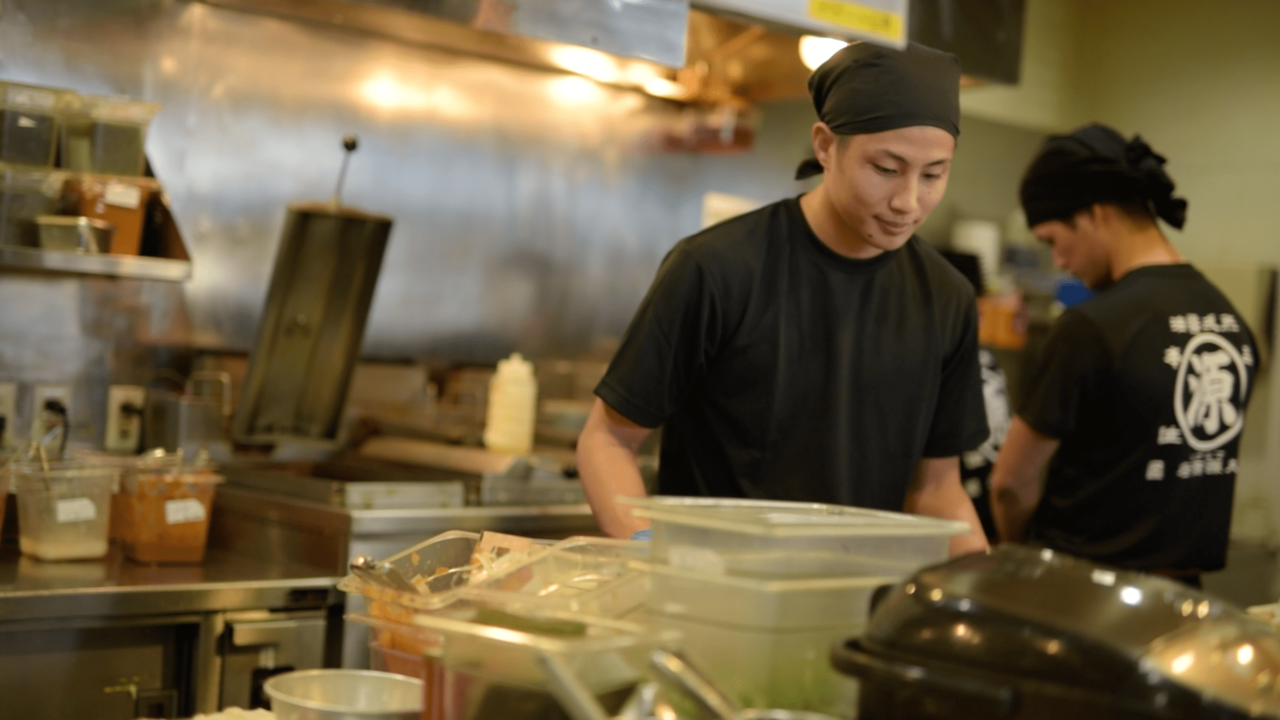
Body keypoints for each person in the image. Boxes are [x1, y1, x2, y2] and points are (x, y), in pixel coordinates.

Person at [576, 41, 991, 555]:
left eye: (933, 175)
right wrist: (648, 549)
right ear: (826, 146)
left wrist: (985, 587)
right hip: (713, 590)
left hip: (855, 591)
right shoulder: (718, 268)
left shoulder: (947, 298)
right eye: (886, 169)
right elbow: (608, 439)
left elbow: (937, 490)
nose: (908, 202)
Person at [990, 124, 1257, 587]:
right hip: (1182, 599)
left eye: (1053, 240)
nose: (1060, 261)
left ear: (1096, 214)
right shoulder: (1231, 322)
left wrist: (1020, 560)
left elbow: (1010, 485)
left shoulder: (1091, 327)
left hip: (1082, 594)